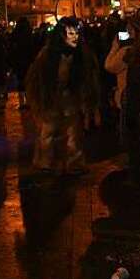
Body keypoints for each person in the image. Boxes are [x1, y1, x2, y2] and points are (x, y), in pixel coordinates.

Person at [26, 17, 100, 174]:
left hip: (71, 97)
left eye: (77, 33)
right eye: (70, 34)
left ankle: (74, 163)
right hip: (52, 97)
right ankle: (46, 162)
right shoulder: (47, 55)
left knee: (73, 133)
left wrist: (87, 98)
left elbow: (89, 76)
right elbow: (35, 78)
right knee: (48, 132)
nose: (75, 37)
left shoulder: (82, 54)